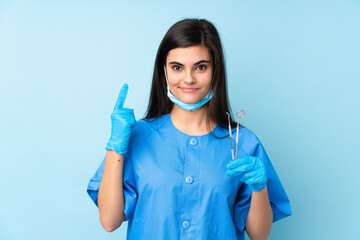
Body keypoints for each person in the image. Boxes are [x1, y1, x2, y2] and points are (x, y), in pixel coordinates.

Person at [87, 18, 291, 240]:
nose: (188, 79)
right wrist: (115, 147)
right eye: (177, 67)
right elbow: (109, 221)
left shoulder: (244, 143)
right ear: (164, 71)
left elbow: (259, 235)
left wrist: (259, 189)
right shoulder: (138, 136)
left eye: (200, 67)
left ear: (216, 71)